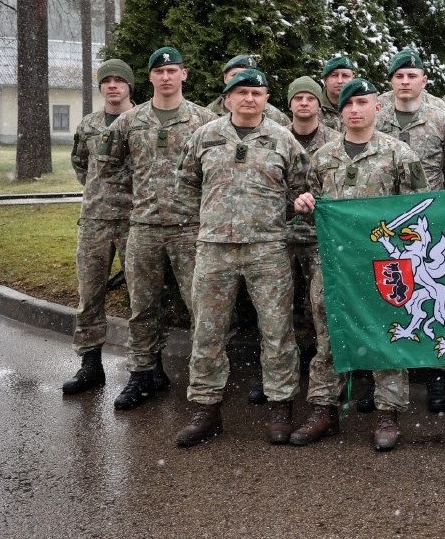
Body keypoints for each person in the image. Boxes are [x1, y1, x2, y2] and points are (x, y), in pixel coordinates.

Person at [171, 69, 311, 447]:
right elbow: (185, 185)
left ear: (266, 99)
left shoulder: (283, 140)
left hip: (268, 249)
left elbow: (302, 189)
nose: (250, 98)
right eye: (242, 92)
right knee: (208, 330)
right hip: (214, 248)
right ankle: (206, 408)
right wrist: (205, 223)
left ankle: (280, 406)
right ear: (228, 98)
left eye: (257, 93)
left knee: (277, 330)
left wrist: (285, 216)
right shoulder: (205, 136)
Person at [288, 77, 427, 449]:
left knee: (387, 333)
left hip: (384, 265)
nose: (354, 109)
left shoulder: (399, 155)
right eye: (347, 104)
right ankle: (323, 409)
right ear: (339, 111)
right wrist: (304, 205)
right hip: (334, 263)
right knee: (329, 335)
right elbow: (313, 204)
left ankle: (387, 413)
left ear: (377, 107)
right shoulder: (323, 157)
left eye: (362, 102)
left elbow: (417, 211)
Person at [99, 46, 217, 411]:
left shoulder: (204, 121)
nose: (166, 77)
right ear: (150, 77)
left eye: (172, 70)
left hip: (190, 229)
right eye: (159, 71)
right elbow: (108, 164)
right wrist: (138, 194)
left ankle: (205, 380)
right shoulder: (130, 121)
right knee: (142, 306)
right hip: (144, 228)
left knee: (201, 306)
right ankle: (143, 373)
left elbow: (218, 169)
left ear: (183, 74)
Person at [377, 48, 445, 412]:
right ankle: (382, 374)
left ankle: (437, 375)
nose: (405, 82)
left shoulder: (442, 117)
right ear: (391, 81)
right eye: (399, 76)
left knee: (429, 297)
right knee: (389, 298)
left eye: (412, 76)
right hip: (384, 217)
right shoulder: (376, 113)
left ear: (424, 80)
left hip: (427, 219)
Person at [62, 59, 135, 395]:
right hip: (94, 221)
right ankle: (90, 365)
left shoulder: (142, 121)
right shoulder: (89, 124)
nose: (113, 85)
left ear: (129, 86)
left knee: (143, 297)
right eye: (107, 80)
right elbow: (80, 163)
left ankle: (148, 366)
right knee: (90, 294)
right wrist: (99, 192)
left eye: (119, 80)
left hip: (134, 220)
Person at [277, 76, 339, 410]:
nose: (304, 103)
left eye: (310, 98)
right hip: (282, 236)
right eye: (298, 97)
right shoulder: (276, 138)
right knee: (278, 310)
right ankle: (280, 376)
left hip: (320, 238)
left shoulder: (334, 141)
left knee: (322, 308)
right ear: (289, 103)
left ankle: (325, 380)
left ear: (319, 104)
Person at [207, 54, 291, 126]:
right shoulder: (207, 113)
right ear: (225, 78)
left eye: (247, 76)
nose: (240, 80)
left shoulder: (275, 116)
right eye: (235, 75)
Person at [318, 55, 357, 132]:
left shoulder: (362, 107)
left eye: (345, 76)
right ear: (325, 80)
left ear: (353, 78)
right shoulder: (314, 107)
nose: (340, 81)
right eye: (334, 75)